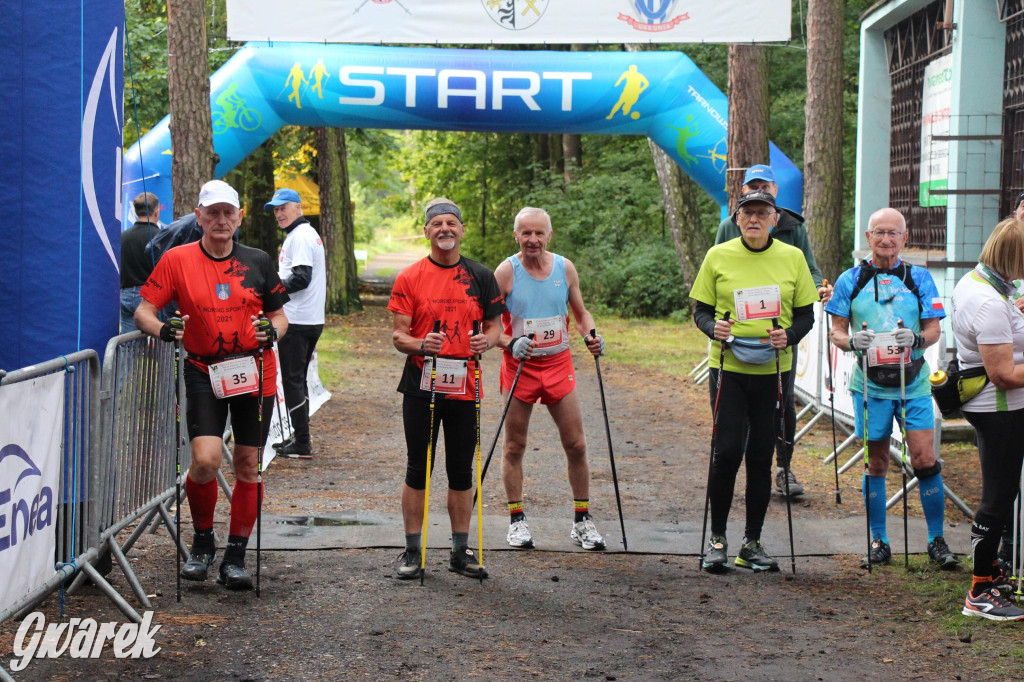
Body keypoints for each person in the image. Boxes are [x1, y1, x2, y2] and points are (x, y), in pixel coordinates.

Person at [134, 179, 289, 591]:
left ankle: (236, 557)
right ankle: (202, 542)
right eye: (213, 213)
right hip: (203, 370)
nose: (221, 220)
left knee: (247, 466)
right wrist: (164, 330)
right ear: (199, 216)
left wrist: (270, 334)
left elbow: (279, 317)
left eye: (228, 213)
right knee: (204, 461)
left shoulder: (257, 260)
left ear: (239, 217)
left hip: (255, 373)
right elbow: (143, 312)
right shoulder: (177, 259)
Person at [691, 190, 818, 572]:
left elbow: (806, 317)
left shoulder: (792, 258)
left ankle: (752, 542)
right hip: (728, 368)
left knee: (761, 458)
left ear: (774, 220)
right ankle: (716, 540)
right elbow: (700, 311)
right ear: (737, 218)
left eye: (762, 213)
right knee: (727, 452)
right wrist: (716, 328)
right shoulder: (718, 255)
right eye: (748, 213)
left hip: (773, 372)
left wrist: (789, 336)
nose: (754, 219)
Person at [825, 207, 958, 571]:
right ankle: (879, 540)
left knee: (924, 459)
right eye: (879, 232)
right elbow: (835, 331)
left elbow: (934, 330)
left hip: (912, 382)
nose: (886, 239)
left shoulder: (920, 278)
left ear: (905, 238)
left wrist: (916, 338)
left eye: (893, 233)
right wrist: (853, 341)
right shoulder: (850, 280)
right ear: (868, 238)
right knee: (877, 460)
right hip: (870, 385)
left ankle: (936, 539)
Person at [388, 197, 506, 581]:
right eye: (436, 224)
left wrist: (485, 342)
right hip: (422, 384)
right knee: (417, 468)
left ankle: (460, 549)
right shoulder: (410, 276)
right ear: (426, 231)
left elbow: (495, 327)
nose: (444, 229)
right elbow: (398, 336)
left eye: (451, 223)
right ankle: (411, 550)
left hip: (465, 384)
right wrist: (423, 344)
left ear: (461, 229)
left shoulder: (481, 275)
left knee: (460, 471)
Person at [493, 207, 606, 551]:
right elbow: (491, 328)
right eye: (526, 233)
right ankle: (517, 522)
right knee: (514, 446)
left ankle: (582, 521)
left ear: (549, 236)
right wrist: (511, 343)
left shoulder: (564, 268)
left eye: (539, 233)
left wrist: (591, 335)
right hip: (520, 367)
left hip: (558, 364)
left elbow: (581, 313)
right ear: (516, 236)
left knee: (577, 445)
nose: (532, 240)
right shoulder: (505, 273)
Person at [715, 165, 828, 499]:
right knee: (733, 408)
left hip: (779, 335)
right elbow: (713, 271)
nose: (756, 191)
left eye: (763, 186)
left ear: (775, 192)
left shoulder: (793, 228)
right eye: (751, 186)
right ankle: (730, 466)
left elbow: (810, 268)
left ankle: (783, 468)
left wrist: (820, 287)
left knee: (783, 404)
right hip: (737, 338)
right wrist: (715, 323)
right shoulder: (728, 226)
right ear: (742, 191)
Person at [950, 217, 1024, 621]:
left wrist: (1014, 312)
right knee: (997, 498)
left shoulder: (984, 284)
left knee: (1003, 493)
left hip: (998, 407)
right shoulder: (989, 302)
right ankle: (979, 589)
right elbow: (1003, 374)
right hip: (999, 408)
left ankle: (991, 573)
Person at [263, 188, 326, 459]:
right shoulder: (304, 234)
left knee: (292, 381)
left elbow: (301, 278)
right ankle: (301, 435)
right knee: (298, 379)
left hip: (298, 320)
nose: (278, 213)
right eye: (275, 210)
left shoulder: (300, 237)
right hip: (309, 318)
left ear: (298, 208)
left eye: (283, 208)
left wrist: (270, 291)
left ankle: (302, 442)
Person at [120, 192, 161, 333]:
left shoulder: (123, 237)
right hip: (149, 298)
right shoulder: (160, 238)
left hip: (124, 295)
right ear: (156, 212)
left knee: (127, 345)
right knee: (157, 342)